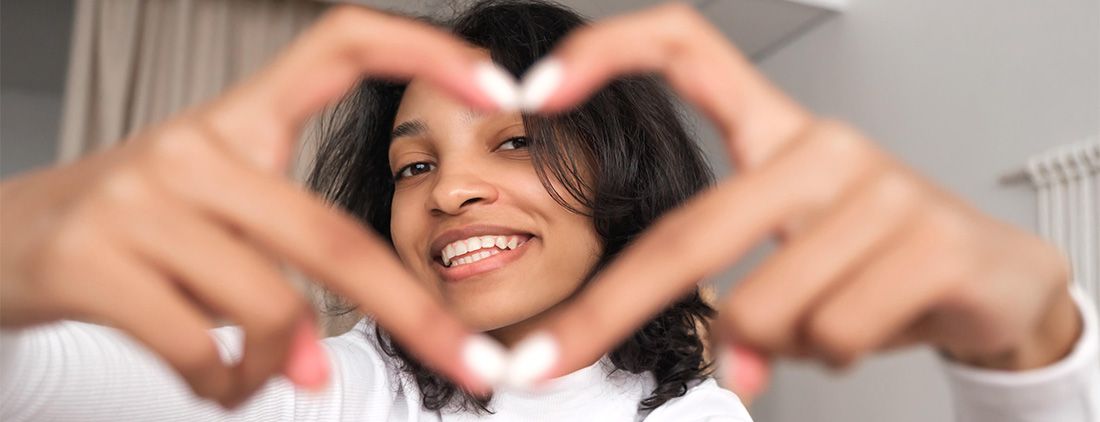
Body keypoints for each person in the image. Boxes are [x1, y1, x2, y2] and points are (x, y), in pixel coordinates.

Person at [0, 1, 1096, 421]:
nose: (448, 190)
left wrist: (1032, 364)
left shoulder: (691, 420)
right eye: (409, 164)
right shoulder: (338, 386)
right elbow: (43, 379)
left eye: (512, 141)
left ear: (619, 176)